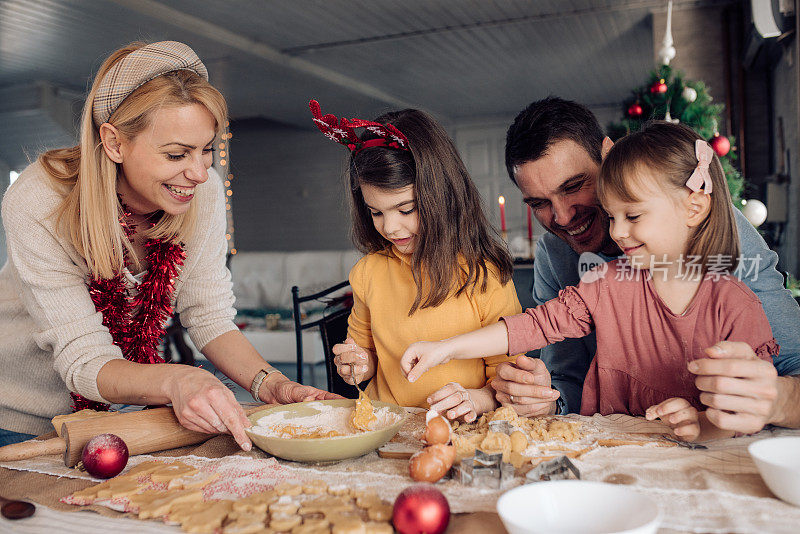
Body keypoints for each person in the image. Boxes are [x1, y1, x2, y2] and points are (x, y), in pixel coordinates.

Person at [0, 41, 337, 449]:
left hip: (127, 419)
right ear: (114, 143)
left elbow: (209, 315)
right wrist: (180, 378)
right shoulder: (39, 200)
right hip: (21, 421)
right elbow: (85, 359)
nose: (198, 172)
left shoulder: (205, 192)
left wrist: (272, 384)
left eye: (206, 150)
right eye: (177, 154)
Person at [401, 121, 779, 442]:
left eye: (632, 216)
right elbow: (534, 326)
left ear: (694, 207)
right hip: (604, 450)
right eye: (612, 216)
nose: (617, 233)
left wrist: (698, 424)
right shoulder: (605, 283)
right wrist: (446, 348)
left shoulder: (736, 305)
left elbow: (741, 410)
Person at [493, 97, 800, 434]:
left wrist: (778, 400)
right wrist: (546, 399)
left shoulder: (713, 231)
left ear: (609, 154)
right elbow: (569, 378)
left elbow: (793, 363)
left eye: (574, 186)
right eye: (540, 203)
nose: (563, 217)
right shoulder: (555, 255)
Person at [309, 100, 522, 422]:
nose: (390, 227)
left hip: (463, 431)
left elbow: (508, 380)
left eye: (405, 209)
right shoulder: (369, 272)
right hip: (388, 424)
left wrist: (477, 399)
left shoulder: (484, 275)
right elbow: (364, 356)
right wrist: (356, 364)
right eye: (376, 212)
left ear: (443, 195)